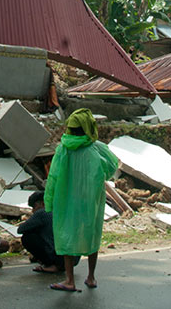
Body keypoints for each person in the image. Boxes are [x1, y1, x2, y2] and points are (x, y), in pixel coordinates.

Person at [45, 108, 118, 292]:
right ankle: (91, 277)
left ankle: (69, 280)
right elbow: (111, 167)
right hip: (90, 201)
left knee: (66, 235)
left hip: (66, 201)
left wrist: (49, 201)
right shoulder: (96, 148)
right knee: (91, 234)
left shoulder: (62, 149)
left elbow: (52, 177)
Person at [18, 191, 64, 273]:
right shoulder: (59, 208)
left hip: (58, 255)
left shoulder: (42, 212)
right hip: (70, 255)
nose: (33, 211)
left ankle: (53, 265)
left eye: (34, 207)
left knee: (27, 238)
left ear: (42, 204)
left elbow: (20, 229)